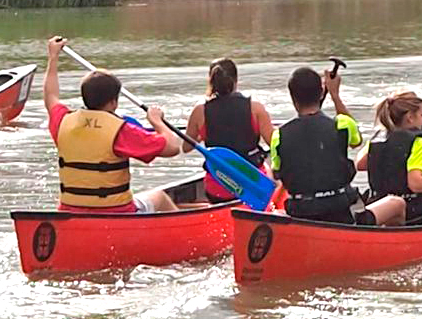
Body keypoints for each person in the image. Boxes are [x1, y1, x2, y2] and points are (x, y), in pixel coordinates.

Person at [42, 36, 184, 213]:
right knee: (160, 197)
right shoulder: (121, 131)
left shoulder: (63, 121)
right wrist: (157, 122)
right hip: (116, 212)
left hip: (69, 212)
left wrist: (53, 57)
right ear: (113, 103)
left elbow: (51, 97)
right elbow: (172, 148)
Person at [271, 66, 395, 225]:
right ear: (322, 93)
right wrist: (335, 95)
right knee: (395, 203)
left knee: (279, 212)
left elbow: (278, 173)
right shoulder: (342, 125)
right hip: (340, 209)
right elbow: (356, 141)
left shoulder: (279, 136)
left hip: (301, 212)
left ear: (291, 96)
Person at [357, 92, 422, 226]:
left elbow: (360, 164)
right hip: (412, 212)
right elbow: (416, 184)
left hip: (378, 204)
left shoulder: (378, 139)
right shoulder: (419, 143)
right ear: (410, 117)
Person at [184, 57, 273, 202]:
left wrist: (201, 133)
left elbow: (186, 147)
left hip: (216, 189)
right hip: (251, 186)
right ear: (236, 81)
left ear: (211, 81)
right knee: (270, 170)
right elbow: (274, 144)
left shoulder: (200, 110)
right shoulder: (255, 107)